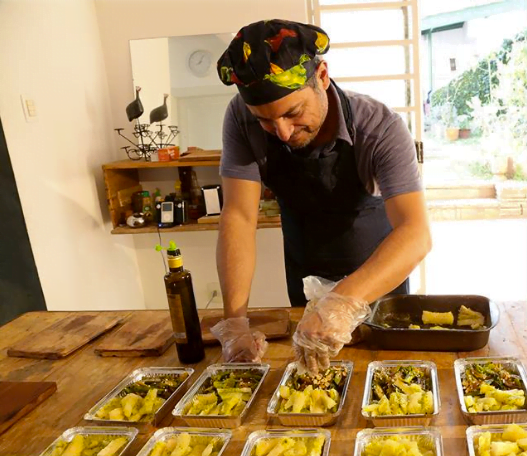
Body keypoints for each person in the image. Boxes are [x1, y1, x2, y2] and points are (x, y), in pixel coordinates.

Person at [210, 19, 432, 373]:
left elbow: (415, 232)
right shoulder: (240, 119)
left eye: (293, 113)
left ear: (323, 76)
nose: (281, 132)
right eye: (265, 121)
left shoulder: (378, 126)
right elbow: (238, 216)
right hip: (305, 276)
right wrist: (235, 322)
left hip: (377, 285)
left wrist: (342, 301)